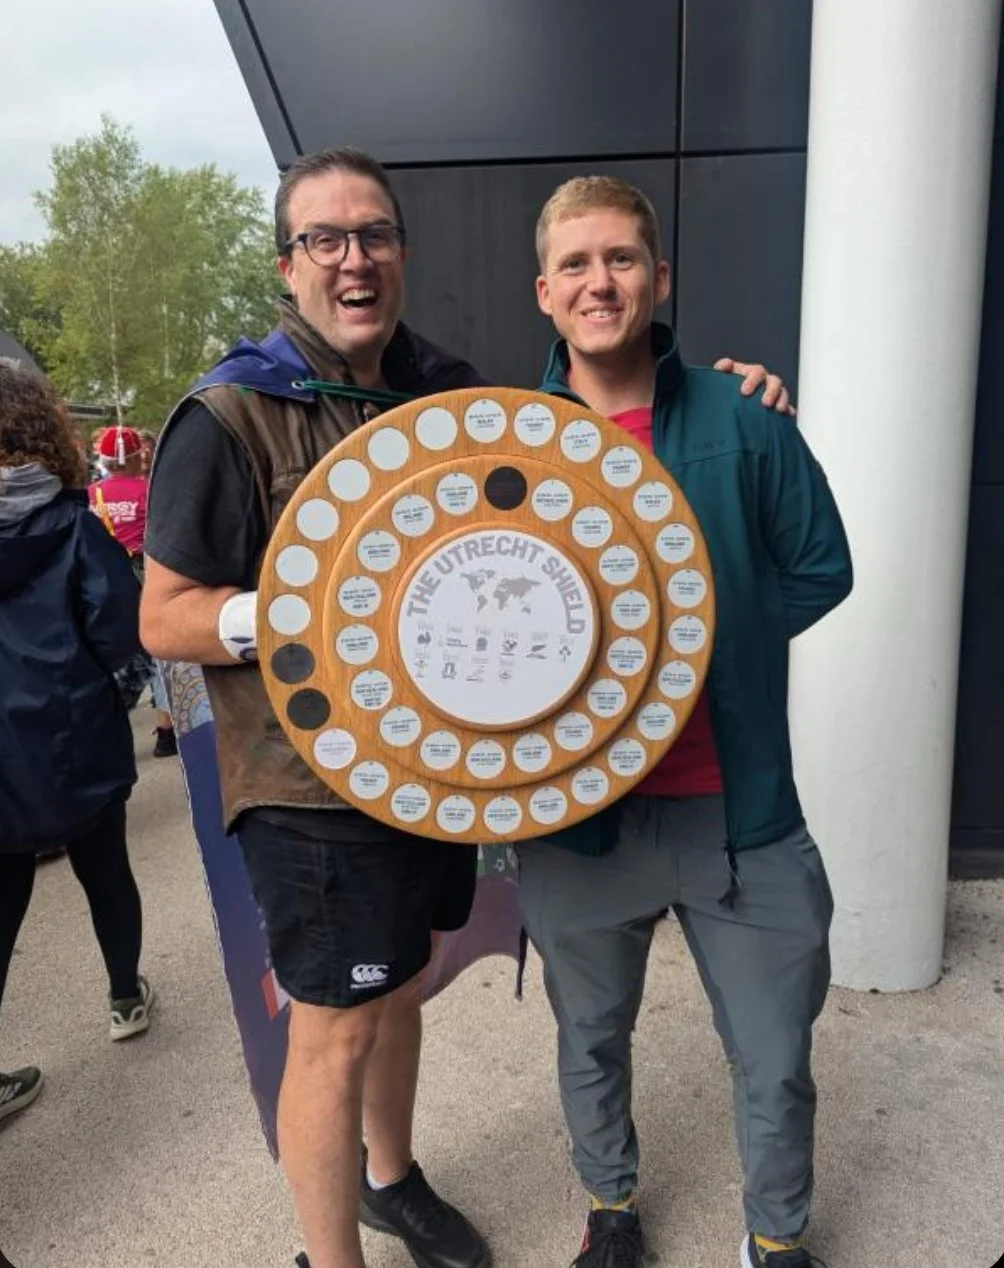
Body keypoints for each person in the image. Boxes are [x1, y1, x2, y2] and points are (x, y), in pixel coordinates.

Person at [139, 147, 794, 1268]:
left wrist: (740, 395)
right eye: (325, 239)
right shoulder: (232, 410)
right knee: (335, 1025)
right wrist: (304, 608)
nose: (353, 260)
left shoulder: (445, 396)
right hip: (309, 785)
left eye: (374, 235)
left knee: (401, 987)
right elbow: (164, 618)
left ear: (401, 251)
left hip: (434, 773)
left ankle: (392, 1180)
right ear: (288, 264)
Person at [515, 175, 853, 1268]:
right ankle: (609, 1208)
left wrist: (707, 649)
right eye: (574, 264)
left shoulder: (743, 417)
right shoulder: (505, 443)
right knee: (588, 1035)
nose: (598, 282)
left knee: (775, 1053)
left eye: (619, 258)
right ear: (544, 292)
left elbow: (821, 566)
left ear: (658, 279)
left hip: (735, 809)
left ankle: (776, 1237)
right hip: (582, 816)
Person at [0, 364, 153, 1126]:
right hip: (74, 738)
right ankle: (125, 997)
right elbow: (120, 631)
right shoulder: (74, 524)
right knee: (106, 873)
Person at [89, 425, 177, 756]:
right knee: (160, 656)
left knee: (111, 659)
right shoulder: (151, 491)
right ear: (140, 456)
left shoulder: (91, 494)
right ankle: (166, 732)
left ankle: (108, 732)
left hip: (104, 584)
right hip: (146, 579)